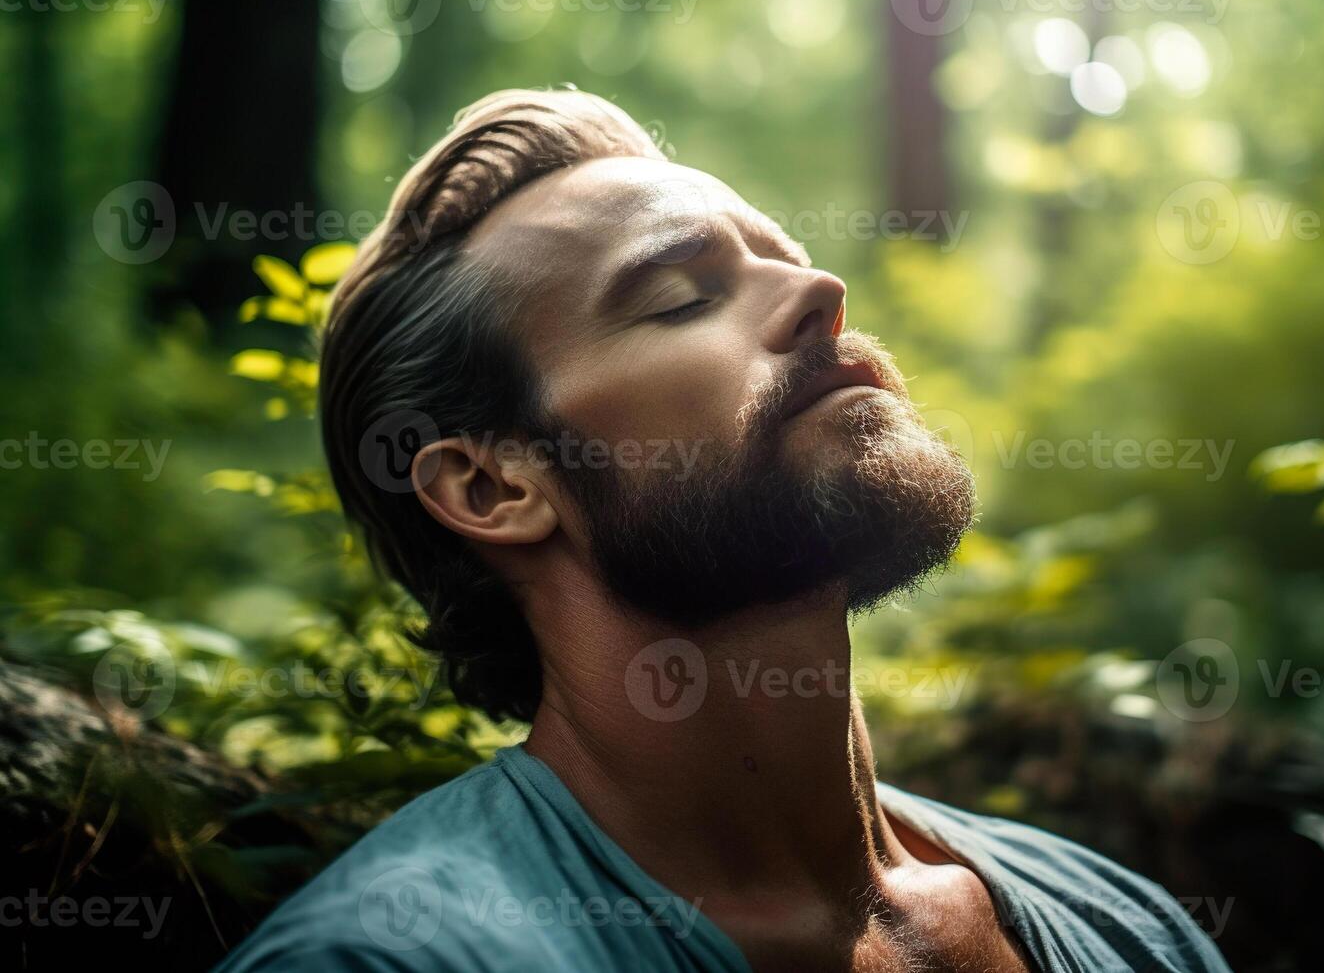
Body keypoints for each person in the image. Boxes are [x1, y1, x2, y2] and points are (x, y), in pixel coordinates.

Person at [216, 88, 1230, 973]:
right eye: (680, 298)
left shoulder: (1127, 927)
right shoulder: (390, 957)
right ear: (489, 487)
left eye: (786, 260)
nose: (821, 294)